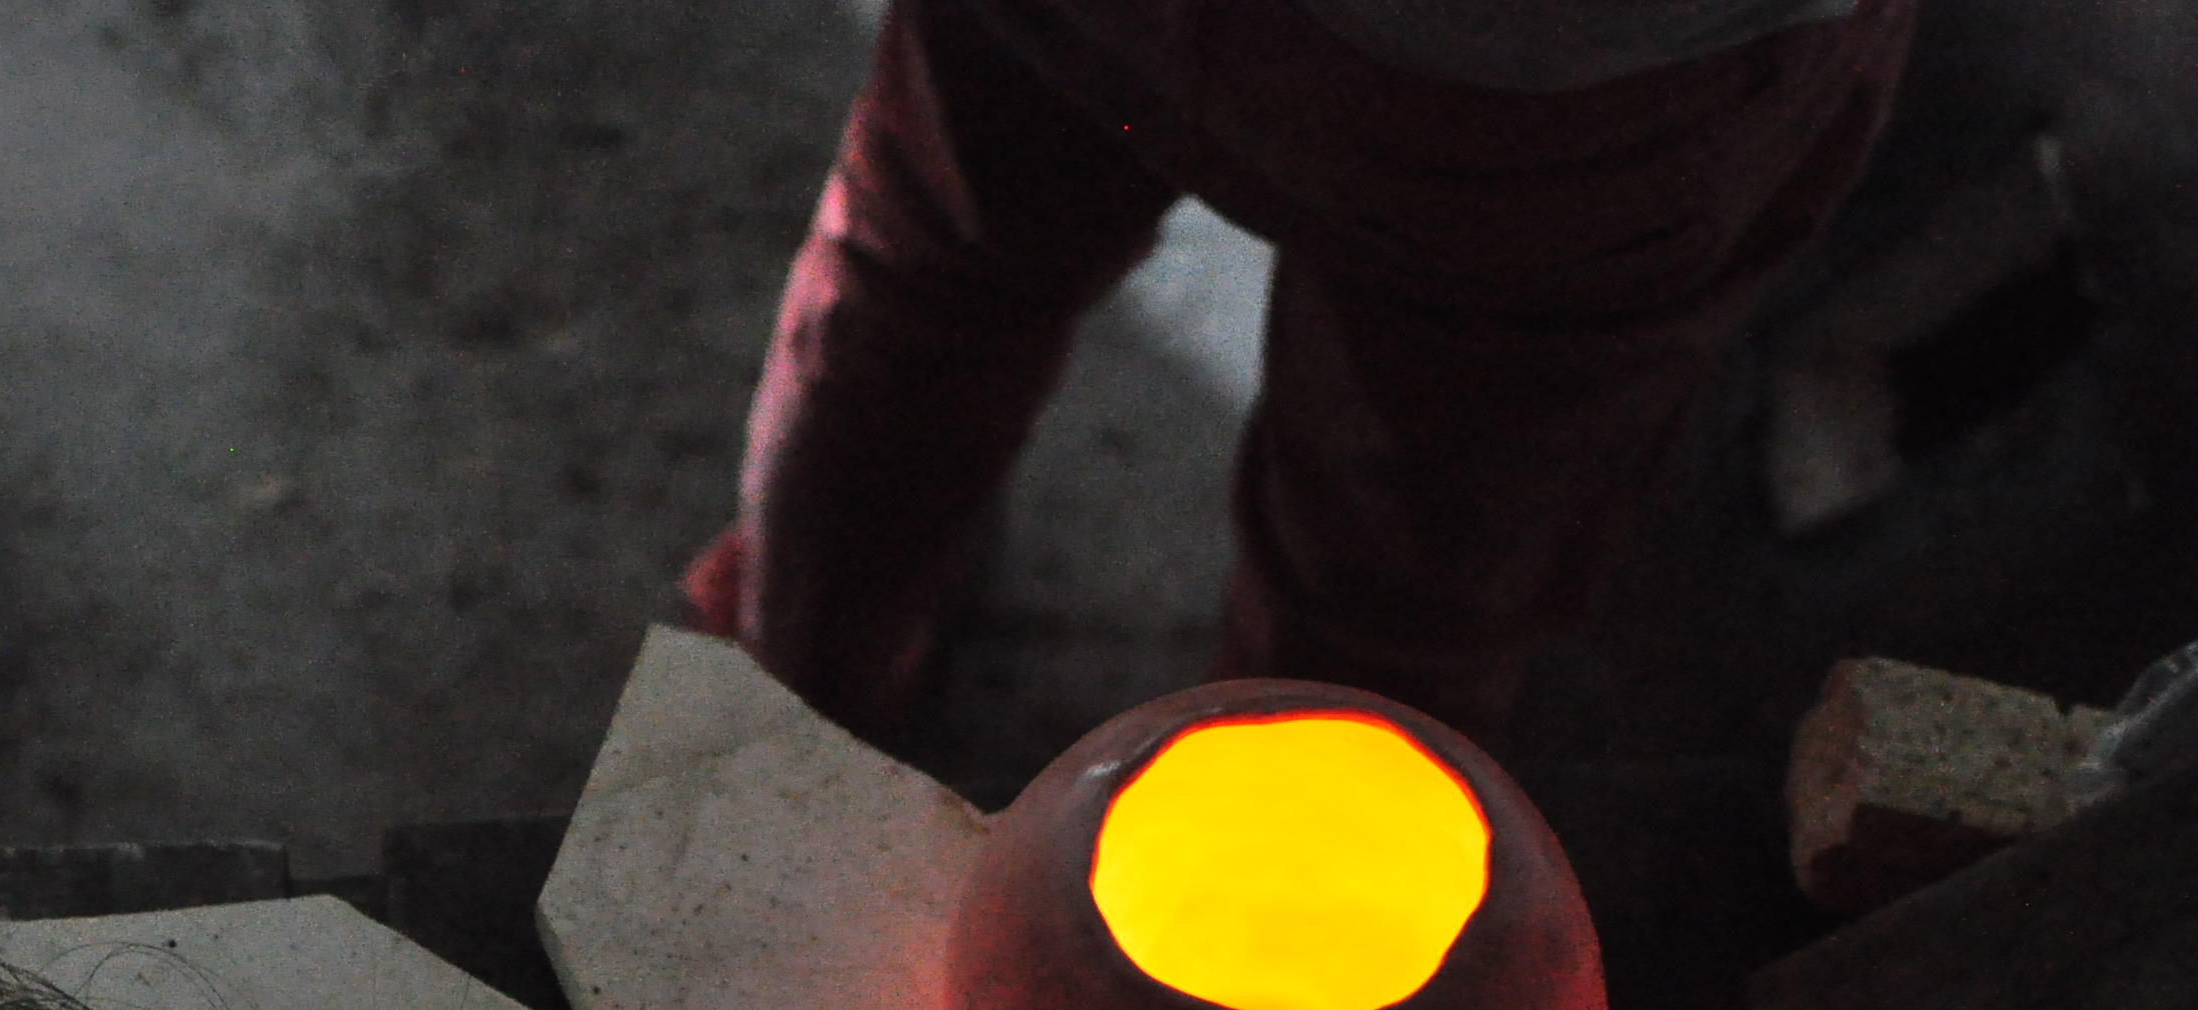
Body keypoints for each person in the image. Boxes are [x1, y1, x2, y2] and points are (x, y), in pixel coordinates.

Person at [680, 0, 1922, 748]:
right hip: (1570, 85)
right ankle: (1264, 962)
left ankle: (805, 680)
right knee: (1407, 558)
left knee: (935, 274)